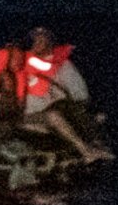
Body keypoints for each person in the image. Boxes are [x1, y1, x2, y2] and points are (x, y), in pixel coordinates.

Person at [22, 28, 112, 162]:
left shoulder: (63, 65)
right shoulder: (23, 65)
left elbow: (80, 95)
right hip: (30, 115)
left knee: (58, 113)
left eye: (42, 39)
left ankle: (90, 149)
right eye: (35, 40)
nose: (37, 43)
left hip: (59, 113)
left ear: (50, 42)